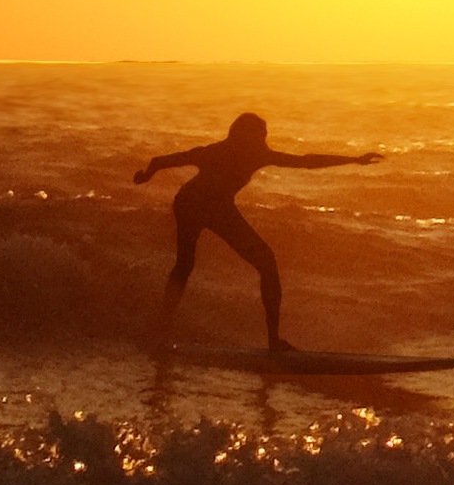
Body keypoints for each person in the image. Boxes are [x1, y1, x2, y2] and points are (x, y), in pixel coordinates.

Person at [135, 113, 382, 351]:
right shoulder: (214, 152)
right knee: (185, 264)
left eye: (265, 135)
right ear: (243, 136)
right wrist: (146, 175)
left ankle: (274, 341)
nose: (264, 141)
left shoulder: (258, 155)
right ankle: (161, 329)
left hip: (221, 209)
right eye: (260, 135)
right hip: (190, 205)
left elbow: (306, 161)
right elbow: (161, 161)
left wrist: (354, 159)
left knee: (267, 264)